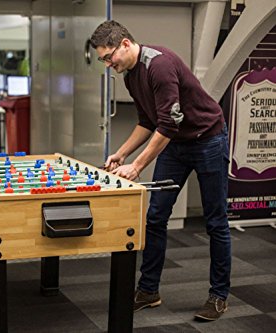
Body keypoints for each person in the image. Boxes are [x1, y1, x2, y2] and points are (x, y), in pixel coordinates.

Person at [90, 21, 231, 321]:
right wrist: (122, 153)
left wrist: (137, 165)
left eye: (109, 56)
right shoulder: (130, 76)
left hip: (208, 140)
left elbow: (168, 124)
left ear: (125, 44)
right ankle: (149, 291)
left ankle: (218, 296)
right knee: (155, 218)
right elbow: (148, 122)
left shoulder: (160, 65)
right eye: (103, 60)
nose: (108, 64)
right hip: (176, 146)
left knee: (215, 222)